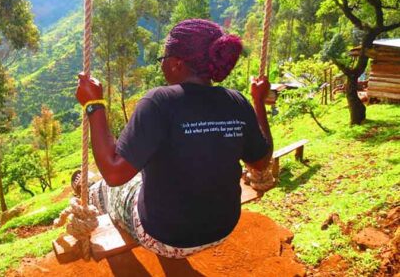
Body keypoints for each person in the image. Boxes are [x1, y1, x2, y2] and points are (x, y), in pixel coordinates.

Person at [75, 19, 272, 259]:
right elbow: (261, 163)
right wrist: (258, 102)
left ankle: (84, 186)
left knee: (105, 188)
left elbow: (114, 174)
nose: (162, 65)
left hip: (163, 237)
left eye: (164, 59)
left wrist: (94, 106)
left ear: (177, 64)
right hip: (223, 227)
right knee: (146, 170)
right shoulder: (237, 101)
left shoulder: (158, 102)